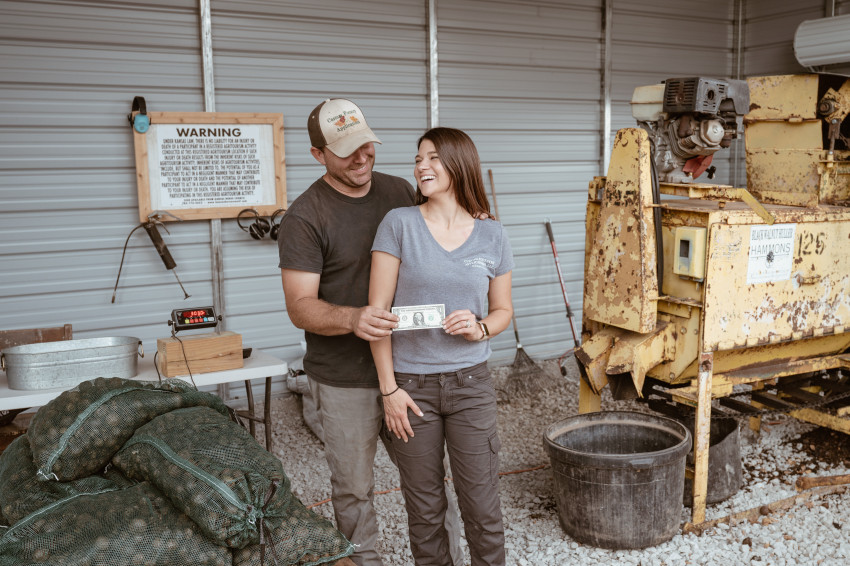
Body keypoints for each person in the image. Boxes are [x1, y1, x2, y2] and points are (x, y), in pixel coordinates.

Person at [277, 99, 462, 566]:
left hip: (409, 370)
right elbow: (299, 307)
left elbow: (444, 232)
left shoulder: (399, 191)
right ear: (318, 154)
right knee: (354, 490)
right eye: (345, 151)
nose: (361, 157)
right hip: (342, 380)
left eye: (366, 145)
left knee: (429, 480)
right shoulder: (305, 216)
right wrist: (352, 318)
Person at [369, 127, 514, 566]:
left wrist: (481, 329)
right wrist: (390, 391)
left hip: (471, 385)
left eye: (433, 157)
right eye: (418, 159)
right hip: (412, 389)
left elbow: (503, 310)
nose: (421, 166)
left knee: (482, 506)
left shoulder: (492, 235)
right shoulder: (400, 224)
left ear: (458, 163)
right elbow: (377, 317)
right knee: (426, 509)